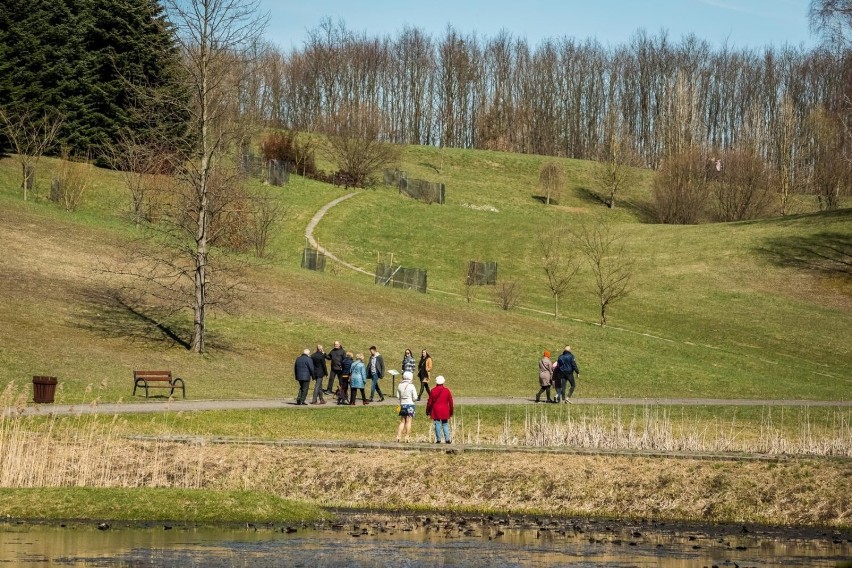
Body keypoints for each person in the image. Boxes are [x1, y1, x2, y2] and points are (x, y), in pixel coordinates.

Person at [426, 375, 454, 444]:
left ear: (436, 382)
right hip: (445, 409)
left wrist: (427, 410)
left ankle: (438, 439)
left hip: (436, 410)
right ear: (443, 382)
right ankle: (447, 439)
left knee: (437, 424)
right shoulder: (446, 390)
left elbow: (429, 402)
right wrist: (451, 411)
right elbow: (451, 402)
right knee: (445, 424)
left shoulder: (433, 390)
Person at [396, 371, 418, 442]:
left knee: (402, 421)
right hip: (410, 405)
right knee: (409, 422)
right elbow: (415, 397)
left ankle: (398, 436)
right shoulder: (411, 386)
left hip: (402, 405)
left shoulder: (400, 385)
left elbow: (398, 396)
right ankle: (407, 437)